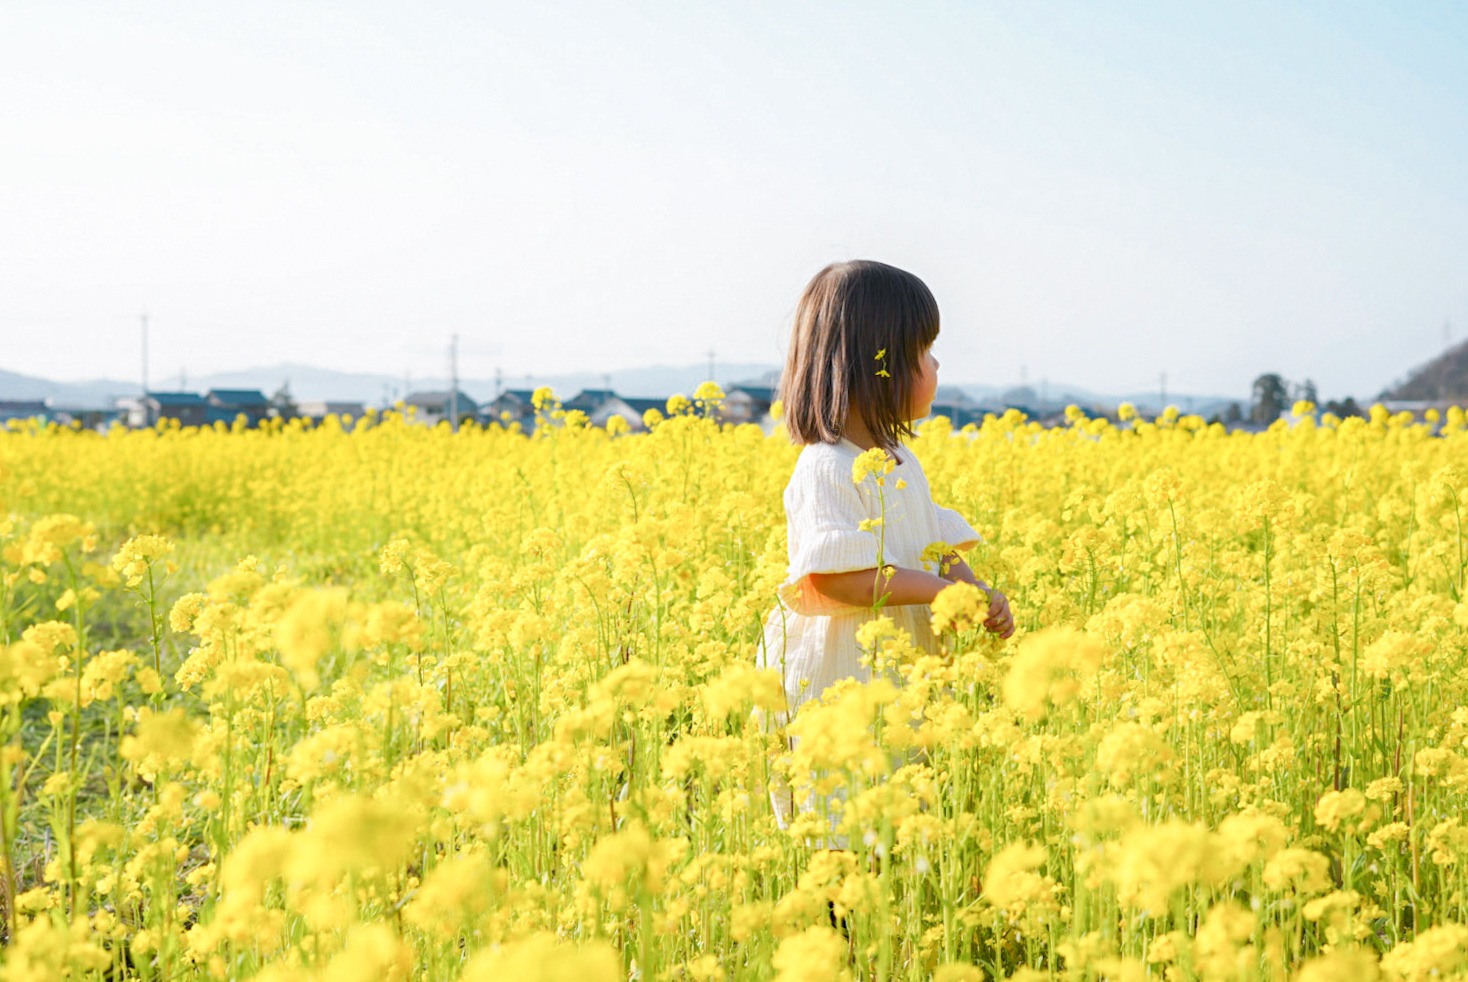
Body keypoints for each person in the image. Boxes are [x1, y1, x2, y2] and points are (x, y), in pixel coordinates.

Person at [759, 259, 1015, 827]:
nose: (937, 364)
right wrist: (940, 596)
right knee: (845, 823)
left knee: (901, 818)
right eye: (923, 351)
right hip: (843, 683)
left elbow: (931, 542)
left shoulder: (901, 462)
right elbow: (838, 576)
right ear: (880, 365)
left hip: (898, 674)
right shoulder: (825, 466)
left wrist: (974, 591)